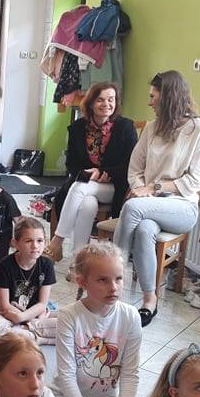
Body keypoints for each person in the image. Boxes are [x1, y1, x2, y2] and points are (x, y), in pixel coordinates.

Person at [113, 71, 200, 326]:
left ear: (168, 97)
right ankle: (150, 300)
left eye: (153, 96)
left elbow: (194, 182)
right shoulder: (152, 128)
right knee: (145, 229)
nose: (149, 102)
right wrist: (141, 189)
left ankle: (112, 279)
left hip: (182, 207)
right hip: (149, 205)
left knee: (133, 207)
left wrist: (152, 188)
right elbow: (134, 169)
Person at [52, 242, 141, 397]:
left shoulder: (131, 316)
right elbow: (67, 376)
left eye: (118, 279)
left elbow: (130, 374)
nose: (113, 287)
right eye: (103, 280)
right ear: (82, 282)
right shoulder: (68, 316)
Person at [46, 82, 138, 262]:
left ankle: (57, 241)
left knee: (80, 187)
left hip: (115, 186)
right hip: (88, 184)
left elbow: (131, 164)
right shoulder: (78, 128)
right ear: (91, 103)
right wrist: (88, 173)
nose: (106, 104)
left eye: (111, 99)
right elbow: (71, 163)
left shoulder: (126, 127)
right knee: (88, 204)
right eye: (100, 100)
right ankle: (78, 260)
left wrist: (103, 172)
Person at [0, 217, 56, 343]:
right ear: (15, 243)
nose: (35, 246)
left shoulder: (46, 264)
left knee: (70, 322)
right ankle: (41, 338)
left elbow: (42, 304)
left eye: (40, 240)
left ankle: (29, 332)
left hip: (33, 314)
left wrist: (23, 318)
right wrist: (23, 319)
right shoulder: (4, 266)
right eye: (28, 241)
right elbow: (4, 306)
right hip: (7, 316)